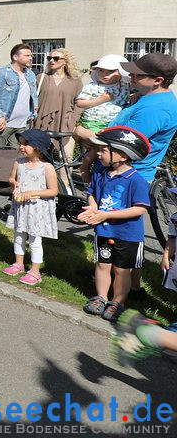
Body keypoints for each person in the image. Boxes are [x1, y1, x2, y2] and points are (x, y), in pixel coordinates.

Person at [79, 126, 152, 322]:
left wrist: (105, 215)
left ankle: (117, 302)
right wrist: (94, 210)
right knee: (102, 265)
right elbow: (92, 194)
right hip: (104, 230)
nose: (98, 153)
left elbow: (140, 209)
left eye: (103, 150)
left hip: (128, 234)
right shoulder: (100, 172)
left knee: (122, 270)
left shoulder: (136, 180)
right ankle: (101, 298)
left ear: (122, 155)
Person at [3, 129, 59, 286]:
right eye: (21, 143)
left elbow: (53, 191)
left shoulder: (46, 168)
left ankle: (35, 271)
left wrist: (31, 193)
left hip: (36, 209)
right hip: (21, 207)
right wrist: (14, 184)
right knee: (19, 235)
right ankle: (18, 263)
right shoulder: (19, 163)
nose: (21, 147)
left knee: (34, 239)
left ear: (38, 147)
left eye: (26, 144)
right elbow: (11, 178)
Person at [0, 43, 38, 149]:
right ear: (15, 57)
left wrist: (33, 114)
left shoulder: (30, 75)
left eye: (31, 56)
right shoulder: (1, 72)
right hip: (2, 123)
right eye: (27, 56)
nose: (30, 58)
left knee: (19, 157)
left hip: (22, 125)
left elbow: (34, 95)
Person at [31, 47, 83, 157]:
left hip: (65, 121)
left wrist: (72, 120)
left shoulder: (75, 81)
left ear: (65, 61)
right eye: (49, 58)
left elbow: (79, 103)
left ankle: (64, 175)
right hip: (42, 121)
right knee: (38, 155)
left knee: (65, 157)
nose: (51, 61)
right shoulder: (41, 78)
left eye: (56, 58)